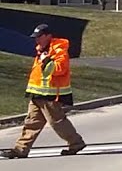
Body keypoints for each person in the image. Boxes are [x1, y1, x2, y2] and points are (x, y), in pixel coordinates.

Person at [1, 23, 87, 158]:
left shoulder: (58, 49)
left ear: (48, 36)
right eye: (35, 37)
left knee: (57, 122)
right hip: (37, 93)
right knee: (32, 122)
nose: (36, 39)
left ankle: (76, 143)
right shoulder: (41, 49)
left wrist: (46, 59)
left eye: (39, 36)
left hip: (50, 94)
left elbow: (60, 69)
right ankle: (20, 149)